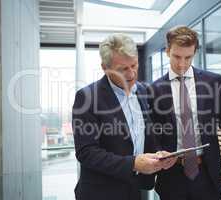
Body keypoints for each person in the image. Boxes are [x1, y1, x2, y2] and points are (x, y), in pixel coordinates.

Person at [149, 26, 221, 200]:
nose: (182, 64)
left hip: (207, 174)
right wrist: (158, 152)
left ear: (195, 52)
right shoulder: (154, 89)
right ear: (167, 51)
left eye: (188, 57)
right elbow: (151, 132)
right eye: (176, 56)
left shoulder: (212, 81)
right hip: (171, 176)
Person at [72, 33, 175, 200]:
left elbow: (145, 135)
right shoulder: (87, 97)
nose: (131, 74)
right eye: (123, 69)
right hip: (100, 193)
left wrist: (159, 155)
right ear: (105, 67)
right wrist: (133, 163)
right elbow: (86, 152)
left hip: (135, 190)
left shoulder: (143, 91)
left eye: (134, 65)